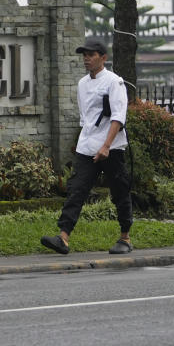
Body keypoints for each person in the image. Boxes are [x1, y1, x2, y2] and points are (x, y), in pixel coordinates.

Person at [41, 38, 133, 255]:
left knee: (120, 191)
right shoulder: (82, 84)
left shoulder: (114, 82)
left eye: (91, 55)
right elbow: (86, 118)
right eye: (84, 55)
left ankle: (125, 238)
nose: (86, 59)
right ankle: (63, 238)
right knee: (76, 189)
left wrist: (106, 146)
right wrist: (82, 142)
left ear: (103, 58)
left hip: (112, 147)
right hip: (87, 146)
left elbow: (118, 117)